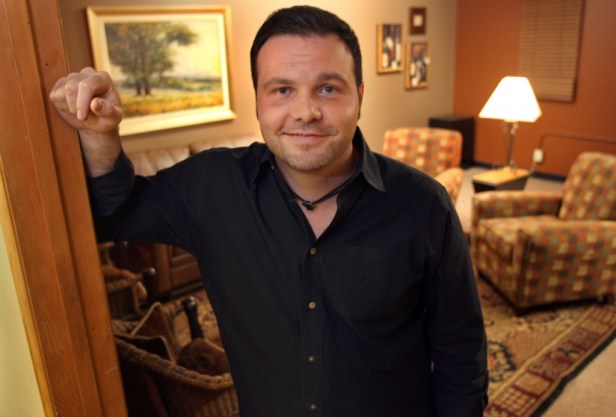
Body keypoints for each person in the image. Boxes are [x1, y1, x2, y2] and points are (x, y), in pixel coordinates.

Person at [50, 5, 488, 417]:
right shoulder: (211, 187)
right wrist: (99, 134)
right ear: (258, 100)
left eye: (328, 88)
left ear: (359, 96)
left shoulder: (424, 205)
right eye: (282, 90)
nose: (306, 112)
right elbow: (115, 215)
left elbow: (461, 352)